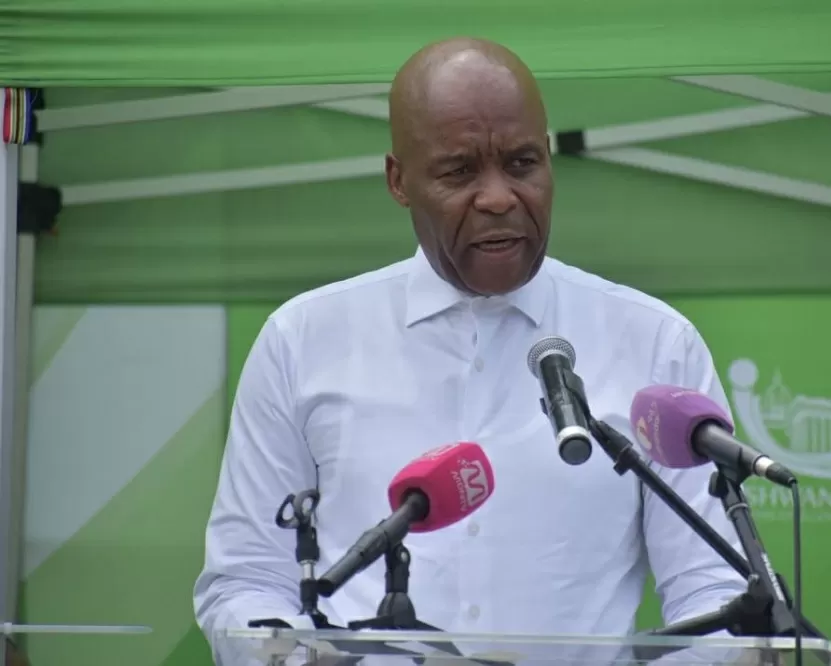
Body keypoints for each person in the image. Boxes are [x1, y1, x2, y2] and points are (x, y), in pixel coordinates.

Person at [194, 37, 747, 664]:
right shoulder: (302, 340)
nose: (498, 197)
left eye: (522, 163)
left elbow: (716, 591)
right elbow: (247, 581)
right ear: (399, 180)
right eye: (459, 171)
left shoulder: (655, 343)